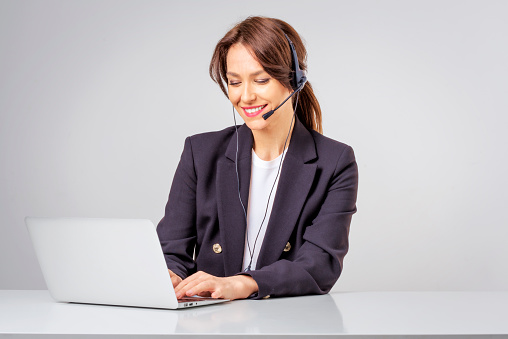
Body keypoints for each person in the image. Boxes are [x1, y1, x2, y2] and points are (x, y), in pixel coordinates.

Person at [156, 16, 358, 301]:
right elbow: (171, 249)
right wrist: (169, 273)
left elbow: (320, 265)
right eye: (234, 82)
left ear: (294, 80)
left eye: (261, 80)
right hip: (209, 321)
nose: (246, 96)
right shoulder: (199, 153)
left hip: (286, 322)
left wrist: (244, 284)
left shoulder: (335, 161)